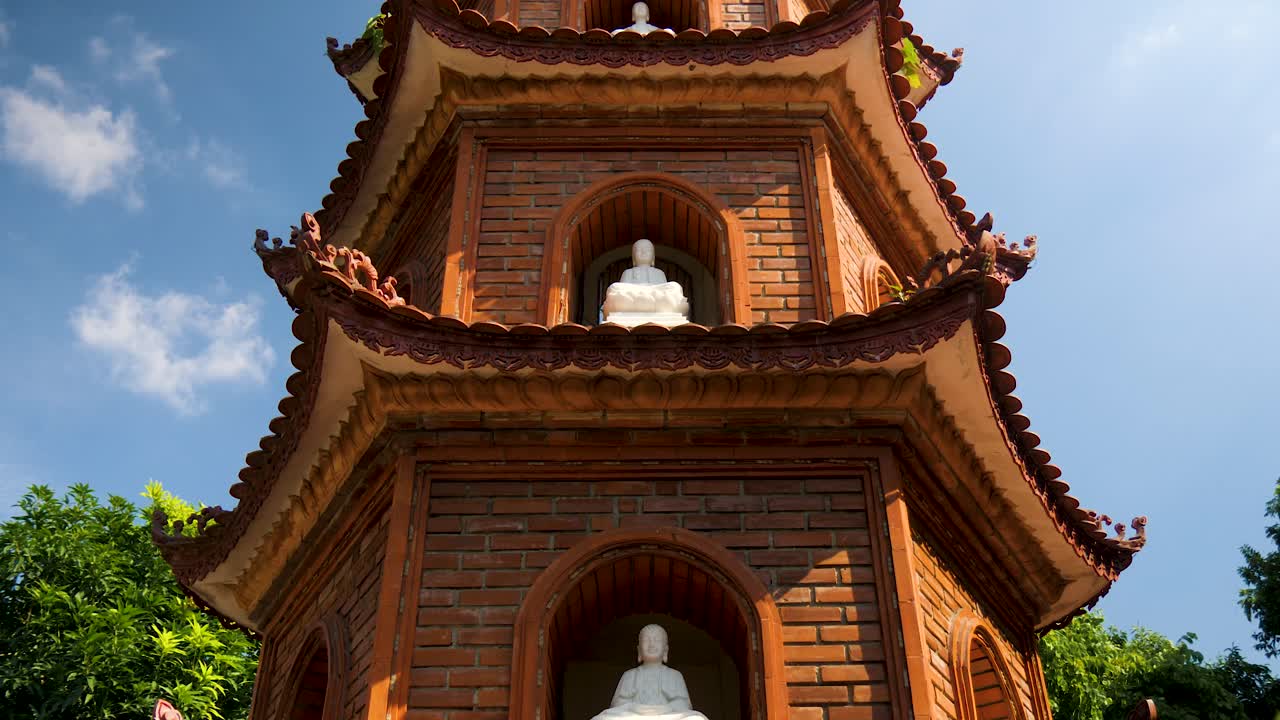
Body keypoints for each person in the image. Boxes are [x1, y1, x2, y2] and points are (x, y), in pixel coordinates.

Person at [590, 624, 708, 720]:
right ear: (639, 650)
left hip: (666, 716)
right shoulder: (630, 675)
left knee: (696, 718)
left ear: (665, 650)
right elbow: (618, 706)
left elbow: (683, 706)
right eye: (647, 640)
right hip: (634, 716)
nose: (652, 644)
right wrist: (634, 707)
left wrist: (665, 709)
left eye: (657, 640)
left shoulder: (675, 675)